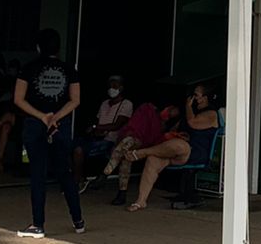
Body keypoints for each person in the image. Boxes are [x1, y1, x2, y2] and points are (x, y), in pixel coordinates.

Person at [13, 28, 84, 238]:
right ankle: (78, 221)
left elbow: (18, 99)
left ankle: (38, 224)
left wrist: (42, 116)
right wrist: (56, 117)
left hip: (35, 125)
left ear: (38, 47)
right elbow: (75, 100)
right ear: (58, 48)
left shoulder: (28, 68)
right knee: (64, 172)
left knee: (38, 174)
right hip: (60, 126)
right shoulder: (69, 69)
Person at [121, 83, 219, 211]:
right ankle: (141, 201)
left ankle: (142, 152)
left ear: (204, 98)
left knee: (180, 145)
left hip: (195, 153)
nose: (192, 98)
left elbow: (193, 123)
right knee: (153, 159)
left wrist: (187, 106)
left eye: (195, 95)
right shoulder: (188, 114)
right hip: (174, 152)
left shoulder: (211, 113)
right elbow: (173, 129)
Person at [96, 100, 181, 205]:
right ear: (167, 107)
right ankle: (121, 193)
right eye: (169, 111)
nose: (167, 116)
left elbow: (154, 144)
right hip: (130, 138)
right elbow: (134, 123)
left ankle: (104, 174)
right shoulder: (147, 109)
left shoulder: (160, 128)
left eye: (170, 117)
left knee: (127, 150)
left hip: (140, 148)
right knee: (126, 154)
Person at [74, 77, 134, 183]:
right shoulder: (105, 103)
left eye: (114, 86)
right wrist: (94, 130)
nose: (111, 89)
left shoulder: (126, 104)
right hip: (98, 138)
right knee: (70, 146)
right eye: (110, 86)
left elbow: (117, 125)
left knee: (79, 150)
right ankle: (79, 178)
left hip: (111, 140)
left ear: (121, 88)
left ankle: (78, 181)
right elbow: (98, 120)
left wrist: (96, 127)